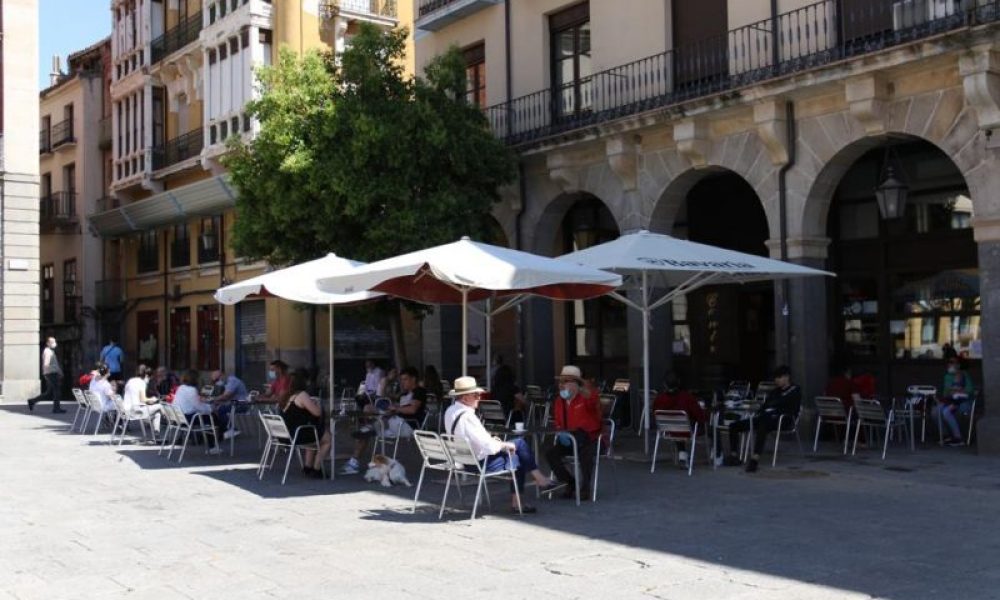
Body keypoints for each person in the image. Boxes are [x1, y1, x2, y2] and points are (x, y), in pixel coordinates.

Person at [444, 376, 564, 513]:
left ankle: (536, 481)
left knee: (518, 445)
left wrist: (497, 442)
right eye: (476, 395)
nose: (479, 398)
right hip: (477, 463)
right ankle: (523, 496)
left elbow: (475, 439)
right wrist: (504, 445)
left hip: (462, 459)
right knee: (517, 454)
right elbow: (487, 447)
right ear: (465, 398)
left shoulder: (450, 411)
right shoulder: (468, 417)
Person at [340, 366, 428, 475]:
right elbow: (386, 398)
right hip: (394, 422)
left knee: (371, 423)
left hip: (407, 425)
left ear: (413, 379)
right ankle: (354, 461)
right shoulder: (404, 393)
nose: (403, 382)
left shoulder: (419, 392)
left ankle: (367, 428)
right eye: (401, 380)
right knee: (368, 412)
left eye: (405, 379)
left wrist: (395, 408)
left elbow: (412, 409)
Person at [722, 365, 801, 473]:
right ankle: (734, 455)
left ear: (786, 377)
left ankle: (755, 458)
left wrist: (772, 409)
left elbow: (791, 408)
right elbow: (764, 406)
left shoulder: (795, 390)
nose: (776, 380)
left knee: (762, 425)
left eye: (779, 377)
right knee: (734, 426)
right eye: (775, 378)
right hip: (766, 417)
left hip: (784, 419)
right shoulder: (775, 392)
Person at [545, 365, 603, 500]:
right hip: (568, 439)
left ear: (575, 384)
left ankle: (585, 488)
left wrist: (588, 393)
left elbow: (596, 407)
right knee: (550, 454)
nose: (561, 385)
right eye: (561, 382)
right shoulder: (559, 401)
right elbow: (558, 422)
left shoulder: (587, 396)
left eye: (565, 382)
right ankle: (570, 482)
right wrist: (560, 432)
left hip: (589, 438)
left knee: (586, 453)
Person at [281, 369, 332, 478]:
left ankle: (308, 467)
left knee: (313, 437)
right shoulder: (302, 395)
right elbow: (317, 413)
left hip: (286, 435)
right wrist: (317, 403)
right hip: (298, 434)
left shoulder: (288, 396)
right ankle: (317, 469)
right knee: (327, 439)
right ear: (303, 382)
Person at [652, 374, 707, 463]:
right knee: (688, 425)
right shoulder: (686, 397)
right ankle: (716, 454)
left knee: (677, 425)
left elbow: (654, 413)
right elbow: (699, 415)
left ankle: (682, 453)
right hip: (686, 430)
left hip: (668, 430)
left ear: (664, 385)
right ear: (679, 383)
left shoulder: (659, 399)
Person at [934, 358, 975, 446]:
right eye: (949, 363)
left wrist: (958, 391)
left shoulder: (964, 375)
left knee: (947, 412)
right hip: (950, 400)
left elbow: (970, 390)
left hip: (962, 401)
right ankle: (945, 436)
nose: (950, 365)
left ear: (958, 365)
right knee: (936, 411)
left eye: (952, 363)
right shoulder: (947, 376)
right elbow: (946, 393)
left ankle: (958, 437)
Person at [28, 337, 65, 413]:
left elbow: (55, 364)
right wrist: (48, 372)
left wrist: (59, 371)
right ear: (48, 343)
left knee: (48, 393)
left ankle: (32, 401)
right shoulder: (47, 352)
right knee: (56, 391)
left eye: (54, 341)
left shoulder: (51, 351)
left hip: (51, 373)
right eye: (52, 342)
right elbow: (46, 364)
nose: (54, 343)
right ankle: (56, 408)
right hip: (51, 374)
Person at [123, 365, 163, 434]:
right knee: (160, 406)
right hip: (136, 411)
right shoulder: (141, 383)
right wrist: (152, 399)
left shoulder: (130, 381)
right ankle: (171, 422)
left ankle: (157, 432)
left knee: (157, 414)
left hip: (126, 410)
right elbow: (143, 399)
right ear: (146, 375)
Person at [210, 369, 248, 440]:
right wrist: (214, 401)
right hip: (234, 403)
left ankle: (232, 429)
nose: (217, 382)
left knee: (220, 410)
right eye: (215, 380)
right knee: (214, 408)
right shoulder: (226, 382)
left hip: (241, 404)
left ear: (222, 376)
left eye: (217, 379)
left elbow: (226, 396)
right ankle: (222, 432)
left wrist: (212, 400)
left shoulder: (232, 381)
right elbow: (224, 397)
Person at [491, 355, 526, 422]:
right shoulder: (513, 388)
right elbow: (523, 401)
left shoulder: (494, 389)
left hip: (494, 418)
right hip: (508, 417)